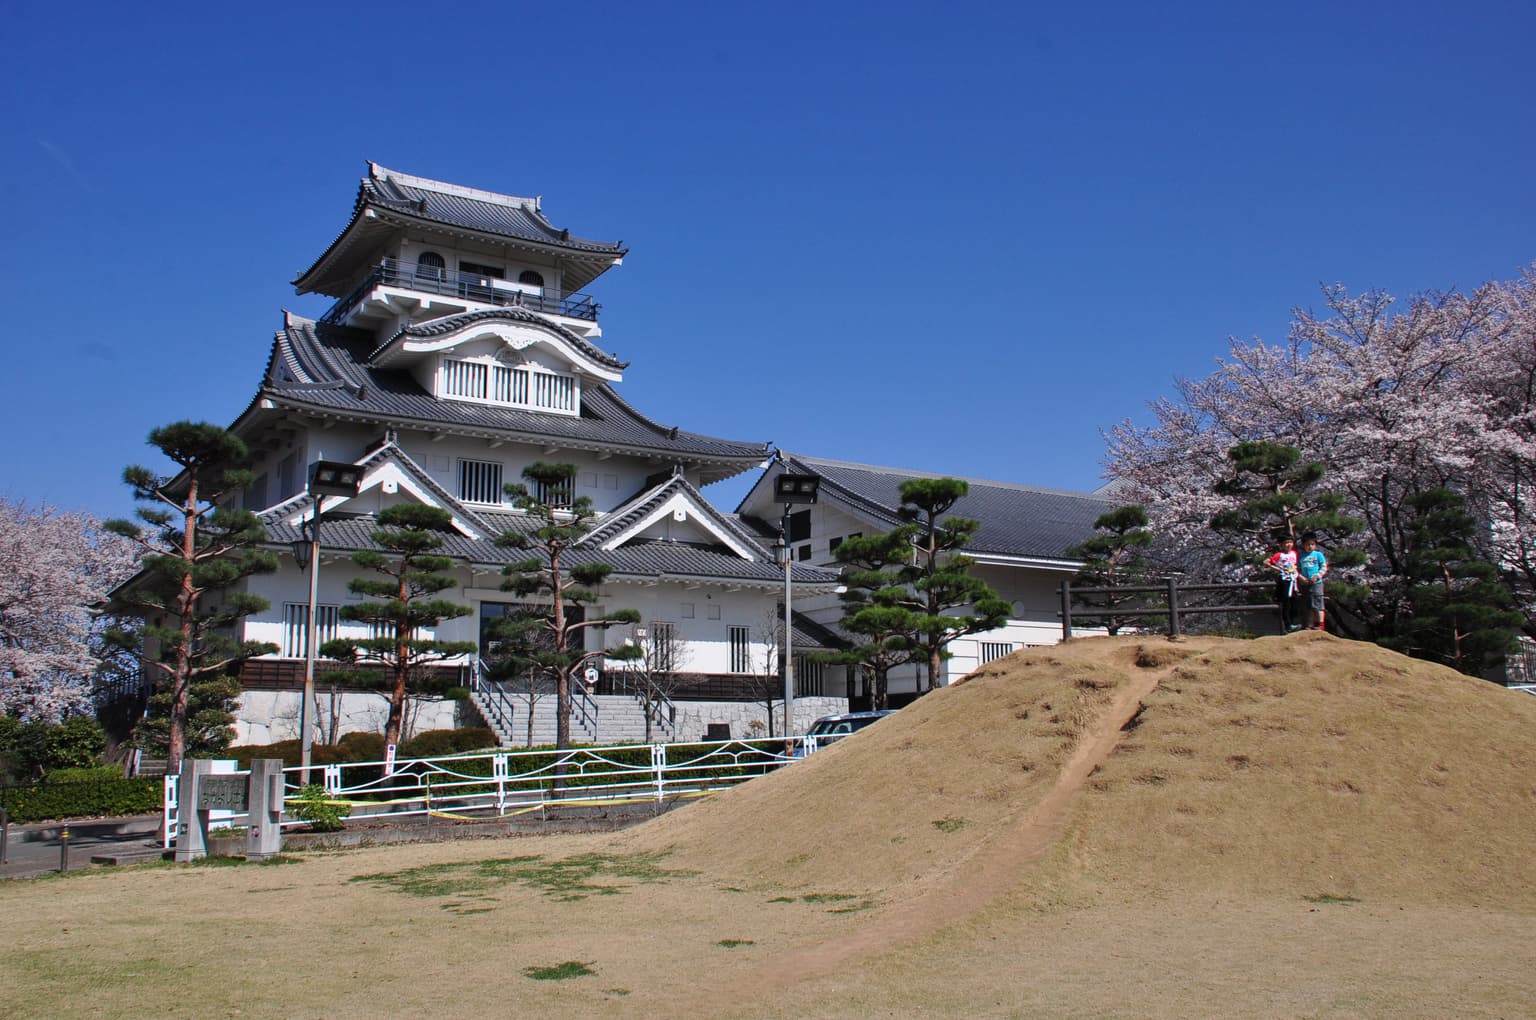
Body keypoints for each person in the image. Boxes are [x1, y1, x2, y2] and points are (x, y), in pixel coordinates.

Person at [1265, 536, 1300, 631]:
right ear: (1281, 545)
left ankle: (1293, 622)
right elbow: (1267, 562)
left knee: (1294, 601)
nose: (1289, 545)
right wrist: (1279, 569)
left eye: (1290, 542)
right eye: (1286, 543)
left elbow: (1295, 565)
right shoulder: (1279, 555)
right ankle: (1288, 625)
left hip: (1293, 580)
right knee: (1286, 602)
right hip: (1284, 580)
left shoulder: (1294, 553)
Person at [1297, 533, 1329, 631]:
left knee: (1318, 604)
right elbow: (1296, 569)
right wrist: (1300, 577)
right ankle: (1309, 624)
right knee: (1308, 605)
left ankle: (1320, 623)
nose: (1310, 547)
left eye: (1312, 544)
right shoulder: (1301, 556)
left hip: (1316, 583)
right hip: (1305, 583)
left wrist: (1317, 576)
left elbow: (1324, 567)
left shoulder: (1318, 555)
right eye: (1307, 544)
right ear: (1303, 545)